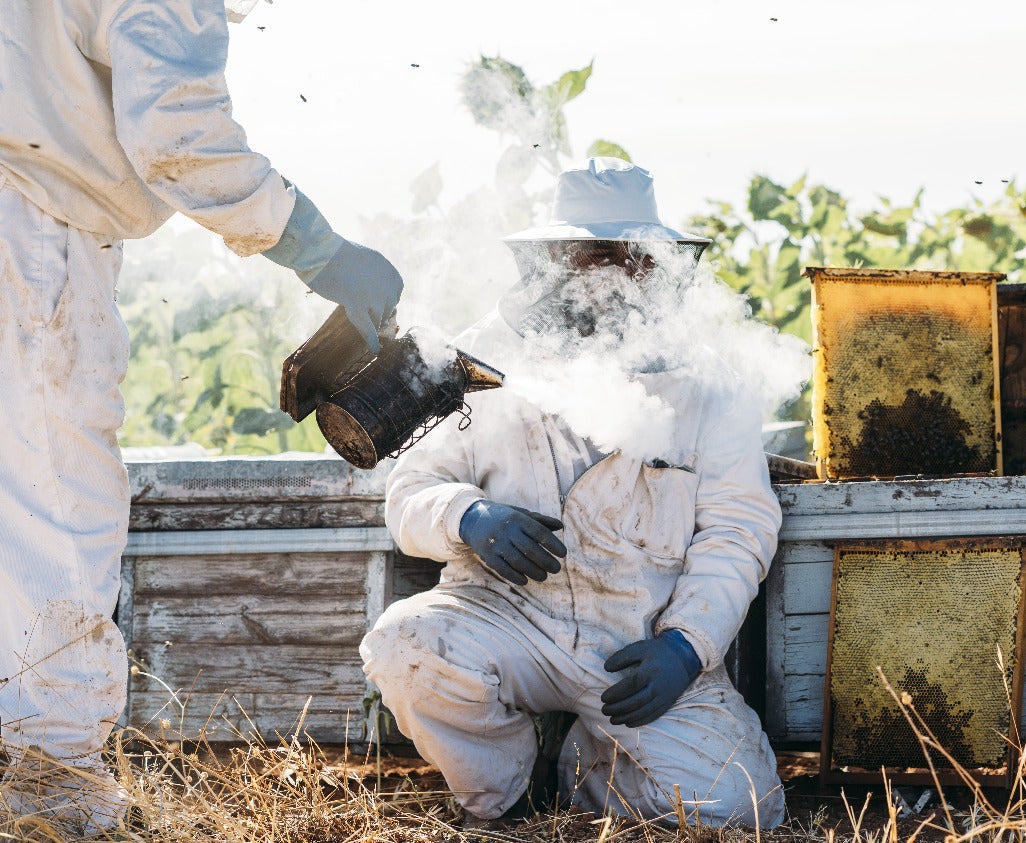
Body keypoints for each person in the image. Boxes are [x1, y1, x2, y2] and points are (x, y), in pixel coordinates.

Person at [0, 0, 403, 833]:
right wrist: (317, 247)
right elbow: (177, 138)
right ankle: (50, 793)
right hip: (30, 232)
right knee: (61, 516)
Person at [361, 157, 786, 829]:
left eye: (625, 256)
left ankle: (587, 763)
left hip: (636, 640)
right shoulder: (480, 358)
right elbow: (409, 486)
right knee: (403, 644)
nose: (607, 272)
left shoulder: (710, 383)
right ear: (551, 259)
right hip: (504, 619)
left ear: (657, 263)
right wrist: (468, 516)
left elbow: (739, 527)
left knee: (738, 805)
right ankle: (507, 792)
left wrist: (686, 645)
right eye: (589, 254)